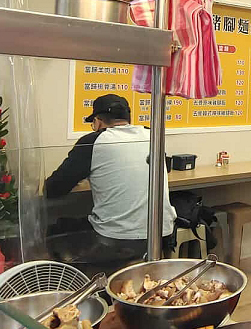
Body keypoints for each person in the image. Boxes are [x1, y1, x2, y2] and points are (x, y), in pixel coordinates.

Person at [45, 94, 176, 267]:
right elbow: (164, 168)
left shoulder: (93, 141)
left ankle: (82, 283)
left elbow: (54, 188)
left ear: (98, 122)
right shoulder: (152, 135)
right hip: (161, 234)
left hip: (116, 238)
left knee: (55, 231)